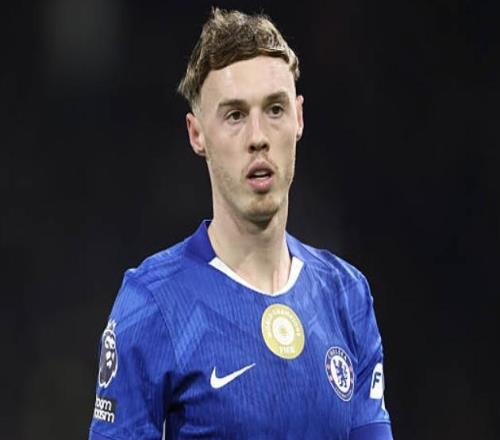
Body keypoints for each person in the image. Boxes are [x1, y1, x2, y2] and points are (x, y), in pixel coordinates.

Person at [89, 7, 393, 440]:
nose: (258, 137)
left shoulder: (346, 295)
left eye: (275, 109)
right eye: (234, 115)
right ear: (197, 134)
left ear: (299, 118)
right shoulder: (151, 303)